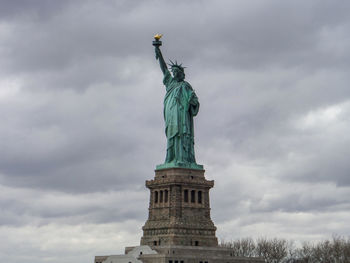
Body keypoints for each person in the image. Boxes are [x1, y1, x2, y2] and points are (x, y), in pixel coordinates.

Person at [154, 45, 200, 168]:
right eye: (173, 72)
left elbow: (195, 102)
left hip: (182, 115)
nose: (174, 73)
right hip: (171, 113)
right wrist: (159, 53)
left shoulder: (186, 86)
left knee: (182, 135)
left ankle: (184, 159)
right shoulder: (170, 82)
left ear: (181, 74)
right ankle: (171, 158)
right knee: (172, 135)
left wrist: (192, 101)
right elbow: (164, 69)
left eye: (176, 72)